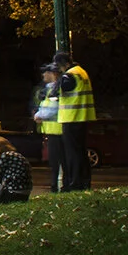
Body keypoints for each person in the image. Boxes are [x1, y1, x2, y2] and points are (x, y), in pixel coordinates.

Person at [52, 57, 97, 191]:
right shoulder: (81, 72)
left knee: (72, 154)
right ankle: (84, 182)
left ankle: (75, 183)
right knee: (81, 152)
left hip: (71, 118)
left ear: (64, 65)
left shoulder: (69, 75)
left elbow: (58, 91)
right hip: (82, 117)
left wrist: (57, 81)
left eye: (59, 67)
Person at [32, 58, 65, 193]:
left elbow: (53, 108)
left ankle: (57, 186)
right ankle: (56, 185)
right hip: (53, 131)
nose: (43, 75)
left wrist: (39, 116)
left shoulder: (55, 89)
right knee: (54, 161)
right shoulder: (49, 89)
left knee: (57, 161)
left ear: (53, 73)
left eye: (46, 72)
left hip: (58, 131)